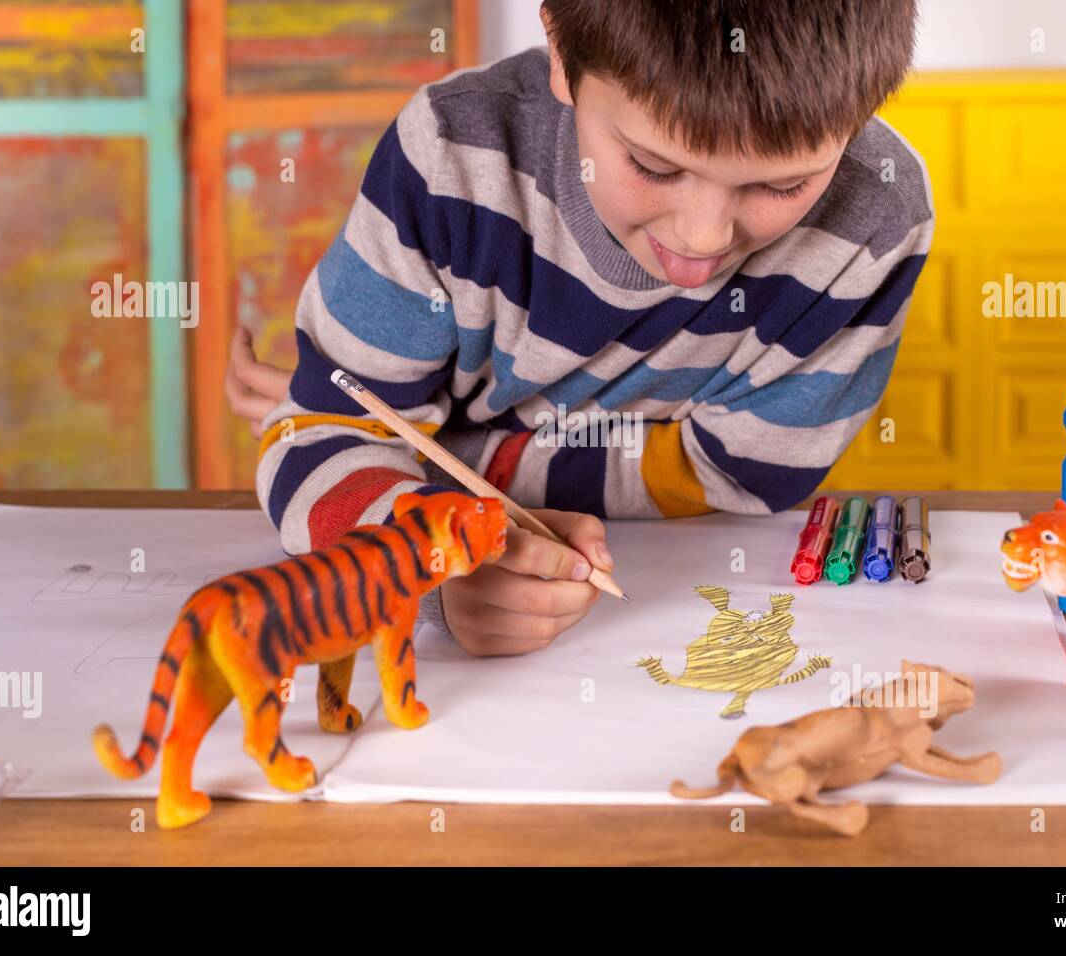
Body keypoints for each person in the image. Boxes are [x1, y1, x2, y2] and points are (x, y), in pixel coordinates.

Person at [229, 0, 931, 655]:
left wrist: (452, 465)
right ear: (563, 51)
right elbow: (321, 439)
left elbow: (744, 475)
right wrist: (430, 568)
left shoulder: (875, 221)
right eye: (653, 165)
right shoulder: (451, 160)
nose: (703, 237)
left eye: (783, 186)